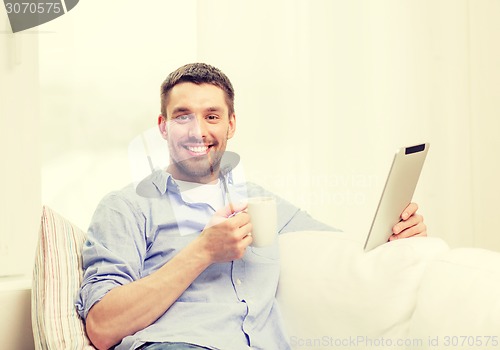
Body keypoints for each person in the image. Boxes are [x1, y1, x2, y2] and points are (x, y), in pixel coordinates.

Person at [76, 63, 427, 350]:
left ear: (231, 124)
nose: (197, 131)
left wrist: (395, 237)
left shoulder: (259, 202)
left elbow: (344, 250)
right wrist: (202, 251)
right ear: (163, 127)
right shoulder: (126, 207)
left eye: (212, 116)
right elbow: (103, 327)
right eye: (183, 116)